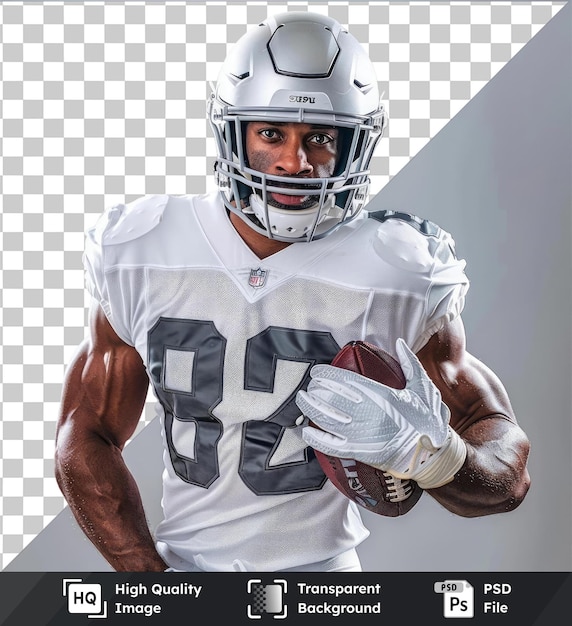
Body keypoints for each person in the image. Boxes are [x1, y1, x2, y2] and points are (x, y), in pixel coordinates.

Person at [54, 12, 530, 573]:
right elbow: (86, 433)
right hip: (181, 567)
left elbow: (508, 472)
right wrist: (150, 580)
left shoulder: (399, 270)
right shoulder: (143, 251)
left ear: (355, 145)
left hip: (325, 584)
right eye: (272, 132)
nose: (293, 162)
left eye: (321, 138)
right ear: (233, 131)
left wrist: (433, 457)